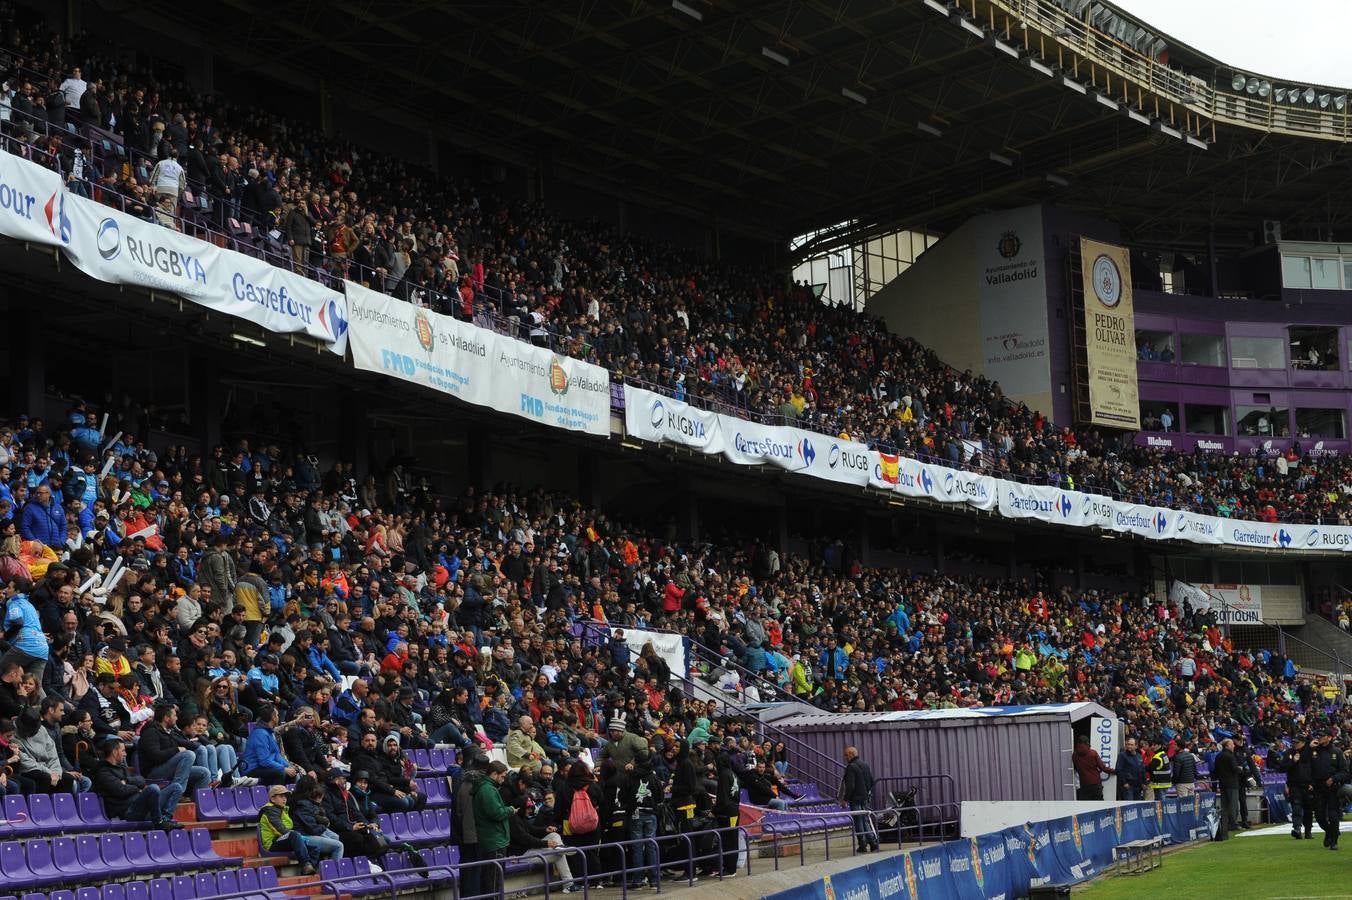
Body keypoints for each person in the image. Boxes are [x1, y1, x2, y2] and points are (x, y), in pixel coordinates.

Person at [92, 735, 182, 829]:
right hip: (128, 812)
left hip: (143, 805)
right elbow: (121, 790)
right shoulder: (103, 772)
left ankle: (165, 819)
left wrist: (127, 781)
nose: (125, 754)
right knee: (153, 788)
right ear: (114, 752)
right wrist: (137, 789)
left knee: (176, 787)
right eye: (123, 751)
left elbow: (141, 780)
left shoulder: (122, 767)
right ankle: (159, 822)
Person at [259, 784, 336, 876]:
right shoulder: (269, 811)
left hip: (285, 839)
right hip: (272, 843)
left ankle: (308, 873)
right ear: (272, 799)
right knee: (294, 835)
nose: (284, 799)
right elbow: (280, 830)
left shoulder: (283, 810)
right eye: (281, 796)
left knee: (315, 848)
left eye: (285, 797)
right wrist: (300, 837)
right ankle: (305, 864)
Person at [139, 703, 212, 797]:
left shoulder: (167, 732)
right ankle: (176, 793)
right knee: (188, 755)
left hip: (168, 767)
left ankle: (198, 805)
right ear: (166, 718)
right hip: (153, 772)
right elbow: (155, 756)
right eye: (174, 715)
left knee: (204, 773)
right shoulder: (151, 732)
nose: (176, 718)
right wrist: (176, 750)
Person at [473, 761, 515, 896]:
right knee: (494, 883)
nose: (504, 779)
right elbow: (497, 813)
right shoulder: (487, 790)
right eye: (502, 776)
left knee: (493, 881)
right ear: (494, 774)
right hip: (494, 841)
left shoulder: (488, 788)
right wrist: (509, 810)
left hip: (494, 840)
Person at [241, 703, 298, 785]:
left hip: (263, 768)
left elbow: (276, 754)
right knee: (280, 773)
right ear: (273, 718)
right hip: (252, 769)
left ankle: (285, 796)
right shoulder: (260, 734)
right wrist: (283, 769)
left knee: (292, 774)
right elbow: (264, 761)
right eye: (277, 715)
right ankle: (275, 796)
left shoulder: (270, 733)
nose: (278, 717)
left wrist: (287, 766)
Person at [1309, 729, 1347, 850]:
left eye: (1322, 736)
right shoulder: (1313, 751)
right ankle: (1330, 832)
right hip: (1318, 787)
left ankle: (1334, 841)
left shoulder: (1337, 752)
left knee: (1333, 815)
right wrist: (1309, 749)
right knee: (1319, 816)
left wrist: (1334, 778)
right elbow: (1303, 763)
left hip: (1332, 788)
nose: (1319, 738)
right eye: (1318, 736)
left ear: (1329, 738)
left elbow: (1345, 772)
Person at [839, 746, 879, 853]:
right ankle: (873, 843)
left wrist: (845, 799)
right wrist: (866, 792)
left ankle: (862, 844)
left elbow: (850, 785)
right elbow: (871, 781)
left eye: (846, 755)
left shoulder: (851, 767)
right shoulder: (865, 764)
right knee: (865, 820)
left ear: (851, 754)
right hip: (864, 797)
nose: (845, 757)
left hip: (855, 798)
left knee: (858, 821)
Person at [1283, 734, 1314, 840]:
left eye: (1297, 742)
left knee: (1308, 809)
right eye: (1294, 742)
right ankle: (1297, 829)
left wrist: (1312, 783)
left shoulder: (1310, 752)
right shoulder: (1289, 753)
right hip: (1294, 784)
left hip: (1307, 785)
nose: (1295, 744)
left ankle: (1308, 831)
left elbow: (1315, 768)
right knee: (1296, 806)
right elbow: (1282, 767)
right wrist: (1293, 761)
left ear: (1303, 743)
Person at [1213, 738, 1242, 836]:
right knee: (1233, 804)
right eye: (1232, 744)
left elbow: (1215, 770)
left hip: (1222, 783)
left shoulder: (1218, 756)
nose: (1234, 746)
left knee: (1224, 805)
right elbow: (1234, 769)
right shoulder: (1230, 756)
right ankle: (1233, 823)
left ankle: (1225, 823)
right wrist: (1241, 770)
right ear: (1227, 746)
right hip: (1232, 783)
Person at [1071, 735, 1114, 801]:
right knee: (1099, 806)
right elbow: (1103, 768)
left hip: (1084, 785)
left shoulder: (1074, 755)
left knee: (1087, 807)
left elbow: (1076, 768)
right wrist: (1115, 771)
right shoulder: (1093, 753)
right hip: (1096, 784)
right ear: (1087, 742)